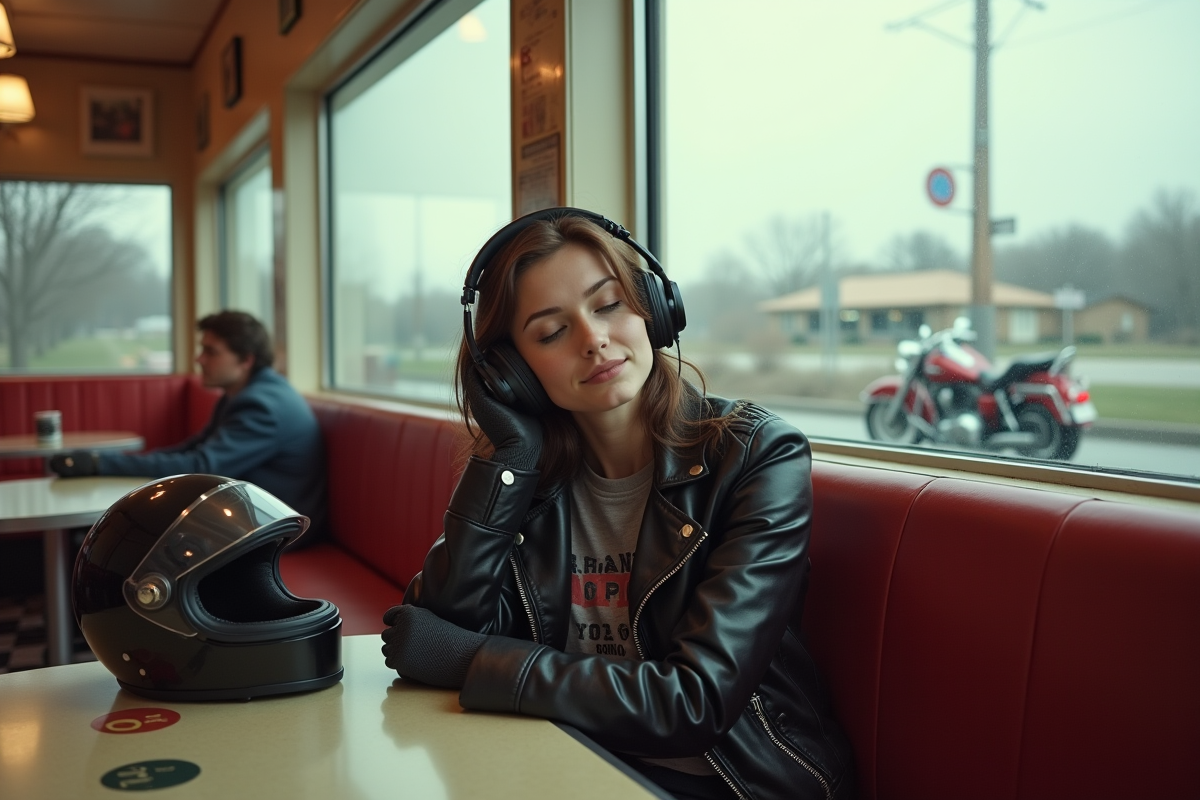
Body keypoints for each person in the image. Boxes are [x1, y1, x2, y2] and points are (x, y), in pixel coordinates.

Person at [380, 210, 855, 800]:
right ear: (510, 372)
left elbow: (695, 703)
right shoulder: (528, 478)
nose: (593, 339)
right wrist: (510, 458)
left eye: (609, 305)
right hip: (565, 763)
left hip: (732, 783)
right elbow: (433, 632)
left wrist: (473, 660)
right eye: (551, 333)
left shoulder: (756, 455)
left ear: (653, 308)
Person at [50, 311, 328, 547]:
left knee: (117, 539)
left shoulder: (261, 406)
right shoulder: (242, 394)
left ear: (246, 360)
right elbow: (192, 449)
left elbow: (201, 465)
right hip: (246, 519)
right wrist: (115, 464)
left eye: (211, 352)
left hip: (275, 534)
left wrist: (101, 464)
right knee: (118, 531)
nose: (199, 359)